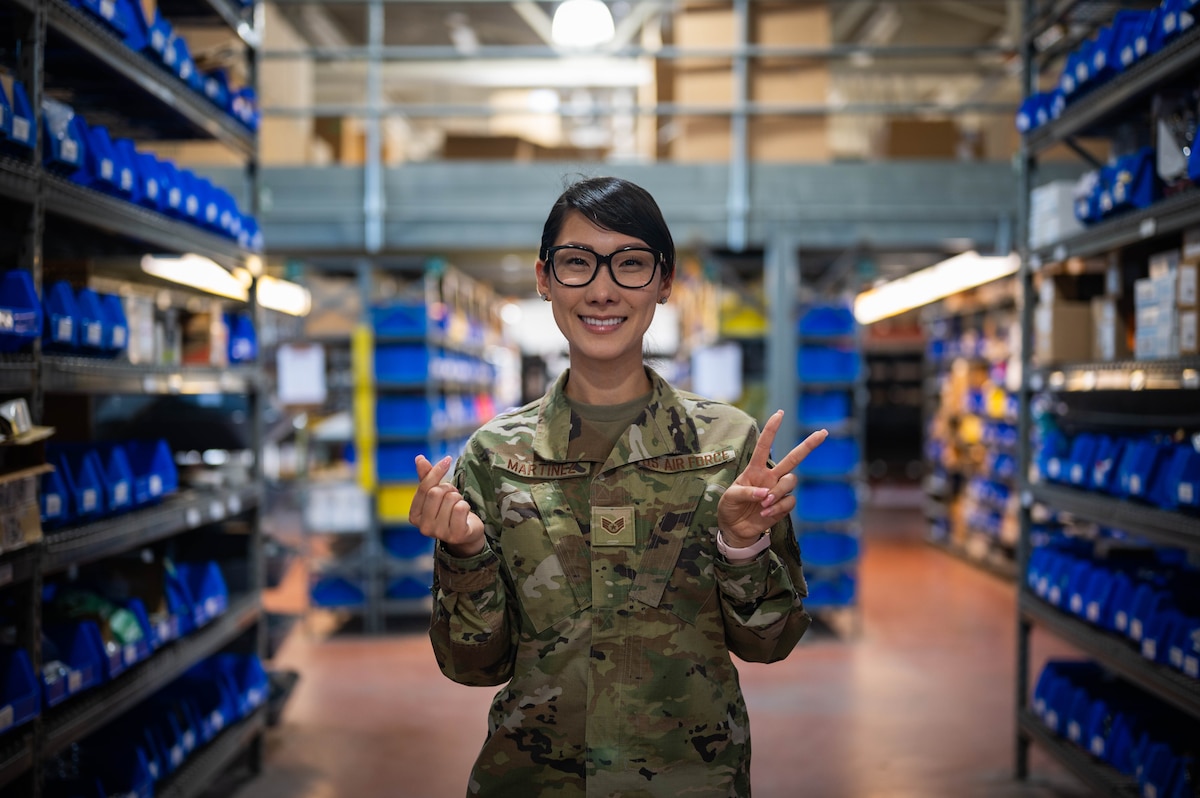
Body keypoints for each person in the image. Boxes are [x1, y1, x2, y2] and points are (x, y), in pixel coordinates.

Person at [410, 175, 826, 798]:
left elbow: (770, 643)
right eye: (577, 263)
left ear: (663, 282)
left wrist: (742, 545)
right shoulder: (496, 456)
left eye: (630, 264)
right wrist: (465, 555)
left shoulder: (727, 446)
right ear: (545, 278)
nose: (602, 290)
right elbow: (472, 665)